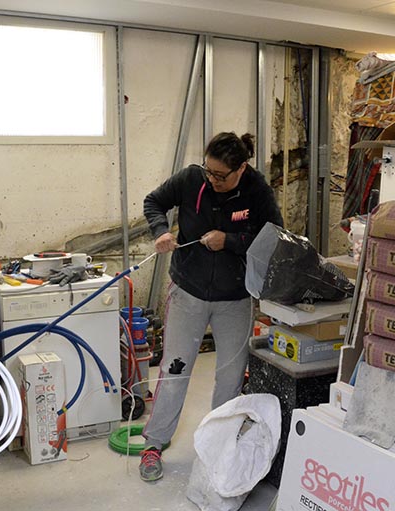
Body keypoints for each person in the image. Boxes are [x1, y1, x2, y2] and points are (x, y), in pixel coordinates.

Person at [139, 132, 283, 482]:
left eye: (221, 176)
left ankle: (218, 449)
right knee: (175, 373)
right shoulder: (191, 179)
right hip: (188, 292)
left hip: (235, 298)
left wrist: (230, 241)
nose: (213, 180)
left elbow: (275, 235)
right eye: (210, 173)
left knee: (229, 380)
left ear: (241, 168)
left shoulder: (256, 190)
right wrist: (160, 230)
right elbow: (153, 201)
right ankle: (154, 444)